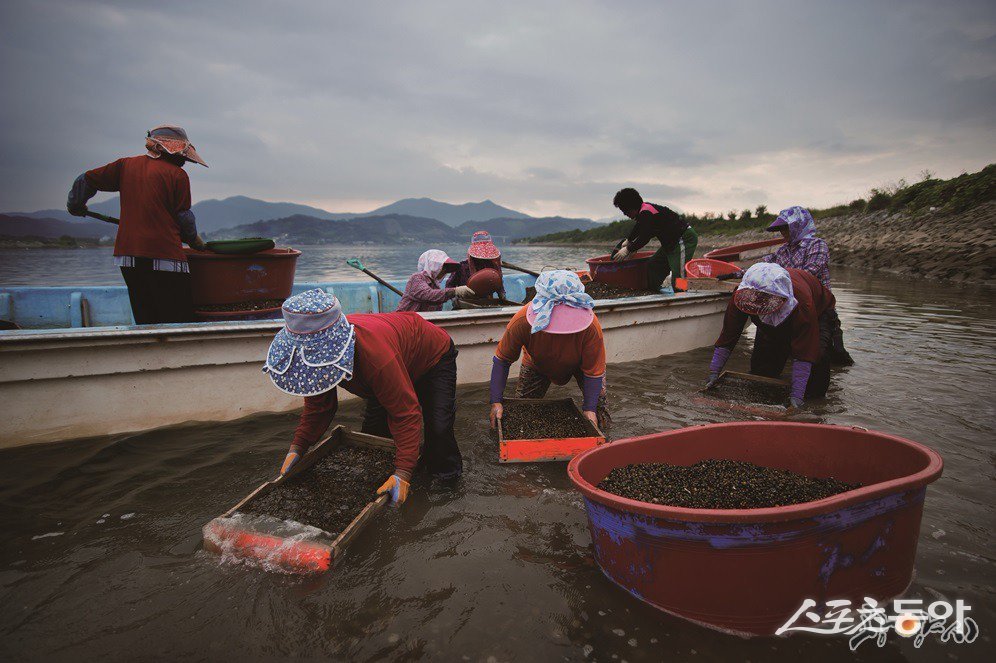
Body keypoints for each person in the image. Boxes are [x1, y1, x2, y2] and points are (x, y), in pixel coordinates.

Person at [264, 289, 462, 505]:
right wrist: (298, 447)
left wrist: (404, 473)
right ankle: (394, 478)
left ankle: (448, 486)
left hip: (431, 355)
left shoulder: (375, 358)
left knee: (439, 428)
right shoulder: (318, 362)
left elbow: (405, 413)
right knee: (374, 432)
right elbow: (320, 407)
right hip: (391, 360)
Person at [66, 125, 208, 324]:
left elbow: (86, 180)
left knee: (145, 315)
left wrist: (76, 205)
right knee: (179, 317)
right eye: (183, 156)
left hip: (128, 256)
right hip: (164, 255)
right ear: (172, 151)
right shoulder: (178, 176)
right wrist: (194, 239)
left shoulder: (125, 166)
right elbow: (183, 216)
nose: (184, 161)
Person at [489, 270, 609, 430]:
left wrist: (590, 409)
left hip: (580, 365)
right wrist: (495, 401)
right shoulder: (522, 321)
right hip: (537, 364)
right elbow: (502, 360)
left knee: (599, 414)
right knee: (522, 413)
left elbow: (594, 372)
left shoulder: (590, 327)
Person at [707, 263, 836, 409]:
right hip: (770, 319)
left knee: (816, 362)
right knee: (762, 371)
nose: (755, 303)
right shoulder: (742, 294)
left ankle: (811, 404)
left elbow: (805, 352)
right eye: (752, 300)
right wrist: (714, 371)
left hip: (818, 312)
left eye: (762, 301)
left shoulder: (802, 304)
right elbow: (729, 334)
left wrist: (797, 395)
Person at [762, 206, 853, 365]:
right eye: (781, 229)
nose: (783, 233)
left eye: (786, 228)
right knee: (786, 353)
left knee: (824, 357)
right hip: (793, 309)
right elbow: (763, 267)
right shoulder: (783, 251)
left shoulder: (817, 246)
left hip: (819, 310)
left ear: (798, 226)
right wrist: (738, 274)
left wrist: (778, 278)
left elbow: (807, 274)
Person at [611, 188, 698, 291]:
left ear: (632, 207)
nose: (625, 214)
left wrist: (628, 249)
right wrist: (629, 240)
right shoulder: (643, 211)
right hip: (670, 243)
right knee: (654, 266)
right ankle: (653, 291)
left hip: (683, 238)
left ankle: (683, 295)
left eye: (625, 211)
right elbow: (639, 227)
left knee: (679, 273)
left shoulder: (647, 212)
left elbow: (645, 237)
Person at [396, 249, 474, 312]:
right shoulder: (416, 278)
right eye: (442, 267)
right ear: (433, 266)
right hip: (404, 322)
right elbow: (428, 295)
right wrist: (455, 291)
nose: (445, 271)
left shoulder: (435, 286)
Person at [447, 231, 506, 299]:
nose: (482, 259)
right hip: (466, 301)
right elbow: (449, 286)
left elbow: (498, 284)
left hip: (487, 301)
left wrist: (502, 294)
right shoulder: (461, 267)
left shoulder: (492, 266)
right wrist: (455, 297)